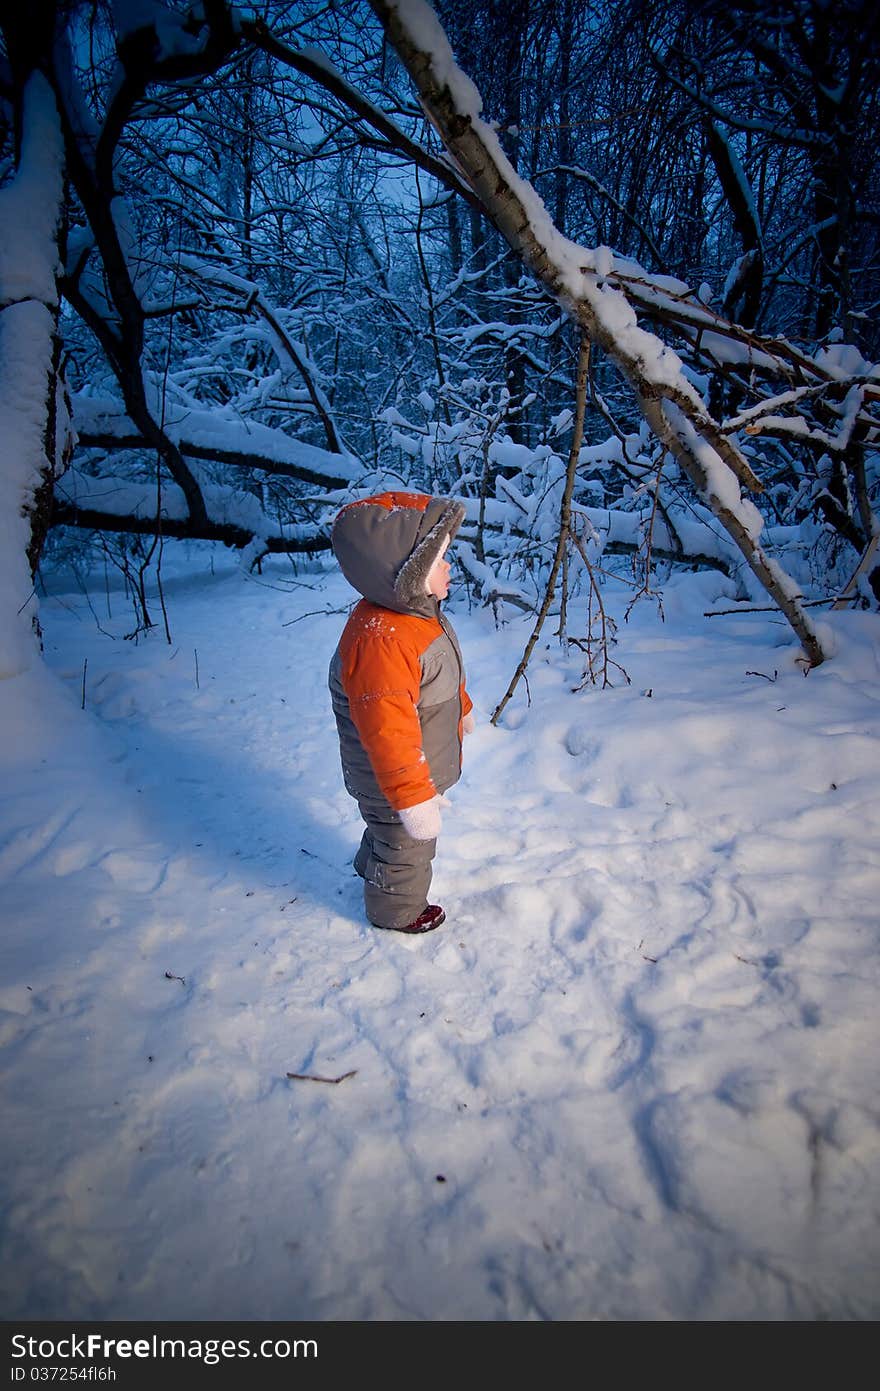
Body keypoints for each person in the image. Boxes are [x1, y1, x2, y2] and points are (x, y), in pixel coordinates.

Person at [328, 491, 474, 934]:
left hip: (408, 770)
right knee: (406, 842)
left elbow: (440, 673)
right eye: (440, 560)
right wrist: (413, 800)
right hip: (395, 778)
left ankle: (371, 864)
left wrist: (461, 708)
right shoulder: (383, 641)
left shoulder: (414, 616)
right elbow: (387, 733)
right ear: (406, 573)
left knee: (386, 831)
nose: (450, 567)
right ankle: (396, 910)